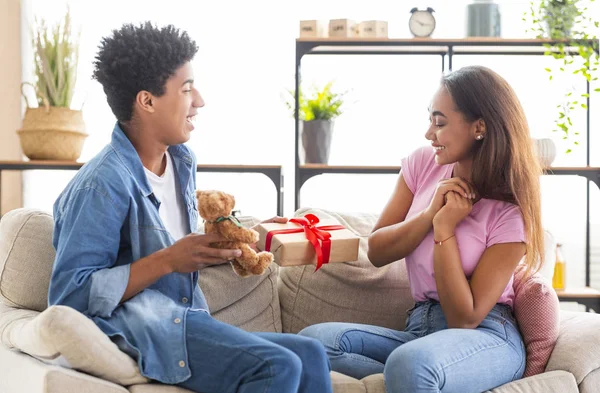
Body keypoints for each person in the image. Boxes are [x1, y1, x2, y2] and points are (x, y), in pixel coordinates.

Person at [48, 22, 333, 393]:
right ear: (147, 101)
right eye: (186, 88)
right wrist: (168, 260)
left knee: (311, 354)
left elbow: (176, 244)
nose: (199, 100)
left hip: (185, 317)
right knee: (276, 366)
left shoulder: (182, 162)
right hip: (145, 328)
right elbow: (69, 296)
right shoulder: (101, 185)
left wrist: (232, 239)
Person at [298, 65, 544, 393]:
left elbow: (464, 318)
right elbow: (377, 250)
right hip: (420, 330)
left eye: (439, 123)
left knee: (411, 363)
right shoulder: (423, 164)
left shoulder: (510, 211)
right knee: (311, 344)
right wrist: (430, 214)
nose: (429, 134)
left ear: (479, 127)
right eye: (430, 120)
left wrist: (445, 230)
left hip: (484, 335)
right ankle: (412, 378)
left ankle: (415, 373)